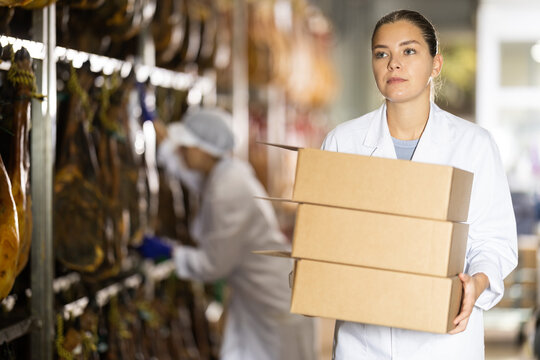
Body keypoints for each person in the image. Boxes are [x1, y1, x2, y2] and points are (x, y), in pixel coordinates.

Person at [321, 9, 518, 360]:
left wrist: (478, 283)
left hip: (445, 343)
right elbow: (324, 238)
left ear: (435, 65)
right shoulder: (343, 142)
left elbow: (494, 242)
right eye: (382, 53)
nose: (393, 64)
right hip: (364, 343)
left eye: (409, 51)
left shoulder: (474, 144)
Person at [140, 107, 316, 360]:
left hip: (274, 305)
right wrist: (156, 124)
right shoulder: (223, 174)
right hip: (257, 298)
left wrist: (169, 252)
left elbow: (213, 266)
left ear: (204, 150)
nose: (182, 151)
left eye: (187, 146)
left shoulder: (228, 190)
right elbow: (187, 172)